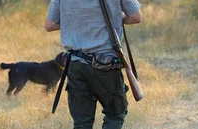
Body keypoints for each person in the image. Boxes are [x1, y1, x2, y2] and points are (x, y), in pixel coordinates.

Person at [45, 0, 142, 128]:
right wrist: (116, 17)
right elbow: (136, 17)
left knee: (82, 123)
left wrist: (78, 21)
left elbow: (50, 25)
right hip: (106, 64)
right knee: (115, 114)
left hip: (75, 64)